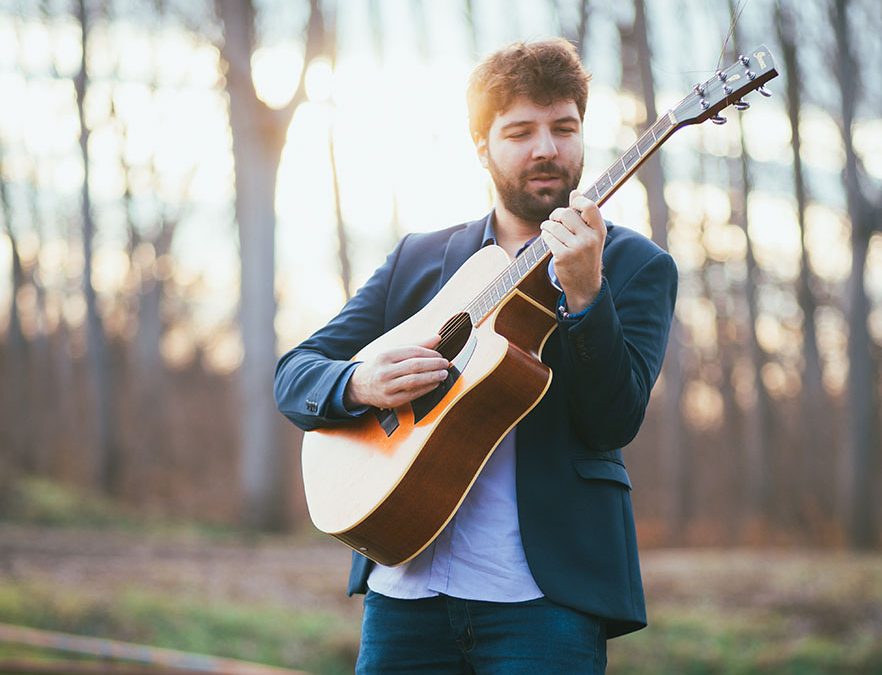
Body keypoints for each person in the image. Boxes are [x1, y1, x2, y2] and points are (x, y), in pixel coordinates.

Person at [274, 38, 677, 674]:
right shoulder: (420, 259)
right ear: (482, 147)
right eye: (520, 131)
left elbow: (613, 422)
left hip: (547, 604)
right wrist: (357, 383)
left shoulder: (634, 267)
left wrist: (587, 295)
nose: (546, 148)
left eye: (563, 127)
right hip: (404, 594)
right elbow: (294, 374)